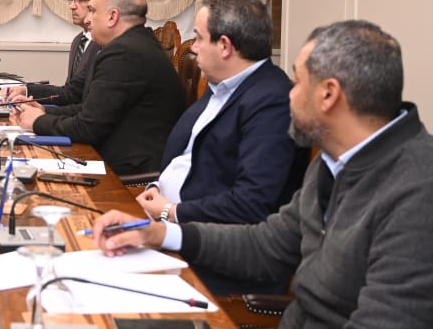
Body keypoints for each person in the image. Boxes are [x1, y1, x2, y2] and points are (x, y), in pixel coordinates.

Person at [92, 20, 433, 326]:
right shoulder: (336, 159)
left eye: (297, 82)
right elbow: (268, 245)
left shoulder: (417, 190)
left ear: (328, 94)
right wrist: (159, 234)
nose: (288, 95)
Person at [135, 0, 309, 295]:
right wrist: (156, 187)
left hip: (213, 259)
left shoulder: (272, 102)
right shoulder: (222, 86)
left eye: (199, 38)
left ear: (225, 46)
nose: (194, 48)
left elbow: (251, 202)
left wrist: (171, 212)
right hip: (169, 229)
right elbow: (186, 157)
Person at [12, 0, 183, 175]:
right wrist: (44, 111)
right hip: (114, 156)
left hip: (129, 172)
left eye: (92, 11)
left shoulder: (125, 53)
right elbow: (91, 108)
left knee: (22, 173)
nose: (87, 20)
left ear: (112, 17)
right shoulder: (134, 44)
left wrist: (38, 122)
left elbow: (87, 128)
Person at [7, 0, 106, 107]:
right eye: (72, 0)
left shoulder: (104, 43)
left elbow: (76, 95)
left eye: (80, 0)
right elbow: (70, 92)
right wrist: (26, 91)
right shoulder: (78, 40)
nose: (72, 6)